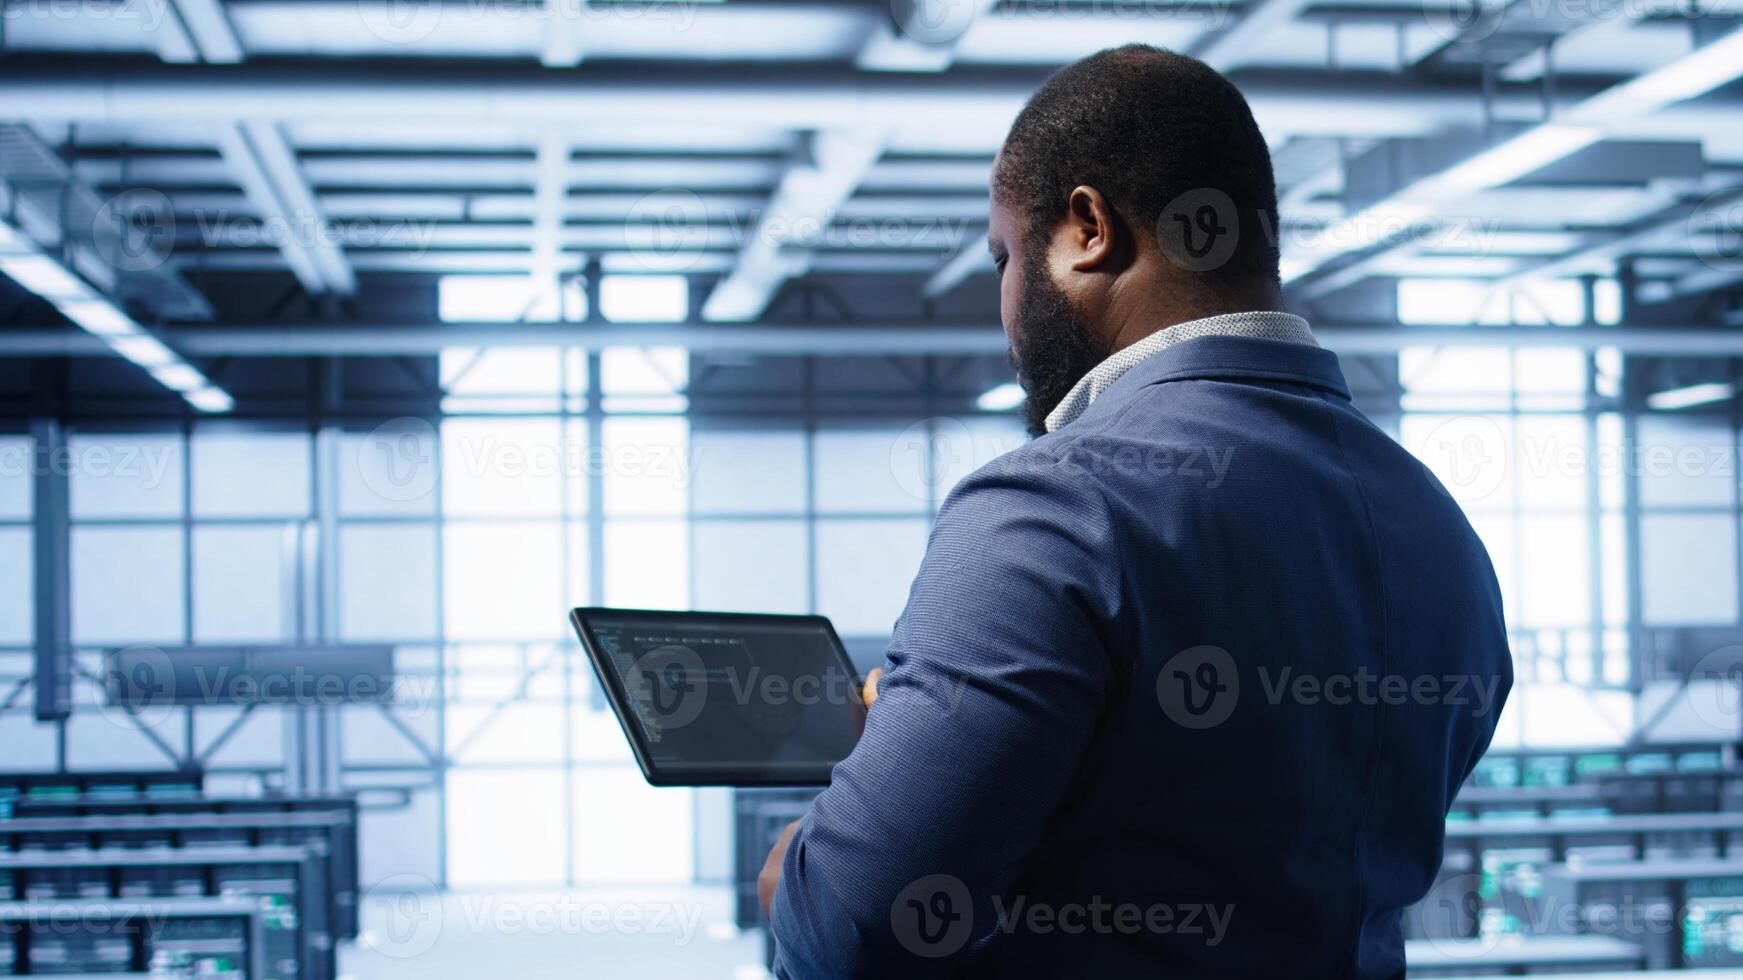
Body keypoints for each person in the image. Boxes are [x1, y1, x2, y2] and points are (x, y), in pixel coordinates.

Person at [758, 44, 1512, 978]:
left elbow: (853, 933)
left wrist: (799, 862)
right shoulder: (1439, 525)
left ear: (1086, 229)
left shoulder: (1050, 509)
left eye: (1002, 256)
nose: (1000, 304)